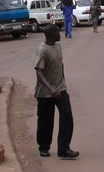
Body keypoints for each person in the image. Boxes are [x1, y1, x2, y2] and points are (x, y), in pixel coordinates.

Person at [34, 24, 79, 158]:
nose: (60, 34)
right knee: (45, 121)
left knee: (67, 115)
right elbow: (39, 72)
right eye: (57, 32)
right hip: (45, 92)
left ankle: (64, 149)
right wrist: (51, 89)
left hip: (60, 88)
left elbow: (60, 64)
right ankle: (44, 147)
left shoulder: (58, 46)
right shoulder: (42, 50)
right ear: (50, 35)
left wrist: (63, 83)